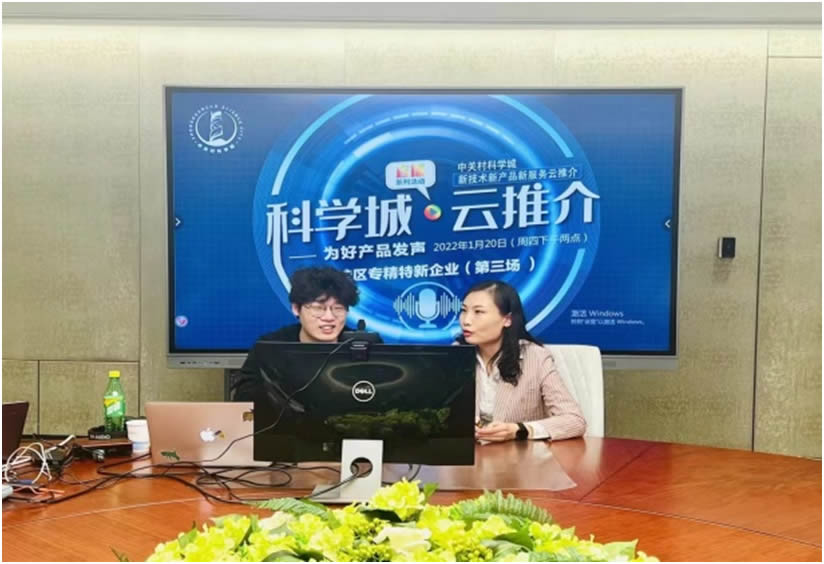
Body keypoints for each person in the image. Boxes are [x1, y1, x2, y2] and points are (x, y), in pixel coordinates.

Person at [457, 280, 586, 442]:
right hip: (466, 453)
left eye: (478, 312)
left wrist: (520, 430)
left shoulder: (535, 357)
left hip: (519, 454)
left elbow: (574, 420)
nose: (466, 320)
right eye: (464, 311)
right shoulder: (454, 355)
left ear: (507, 319)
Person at [232, 266, 373, 402]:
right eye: (318, 308)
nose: (329, 317)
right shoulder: (270, 349)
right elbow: (244, 402)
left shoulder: (366, 347)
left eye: (338, 308)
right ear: (296, 309)